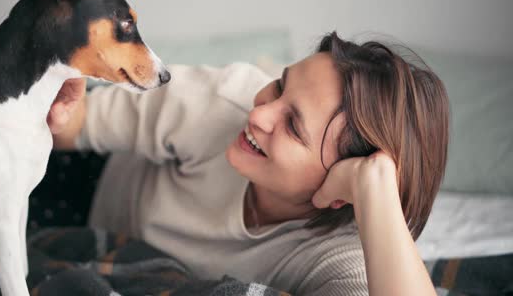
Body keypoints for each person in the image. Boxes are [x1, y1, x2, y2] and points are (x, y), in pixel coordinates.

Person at [46, 32, 449, 295]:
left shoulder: (337, 252)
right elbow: (71, 123)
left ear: (345, 189)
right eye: (279, 86)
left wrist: (376, 186)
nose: (259, 115)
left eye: (293, 126)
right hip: (89, 178)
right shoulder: (225, 101)